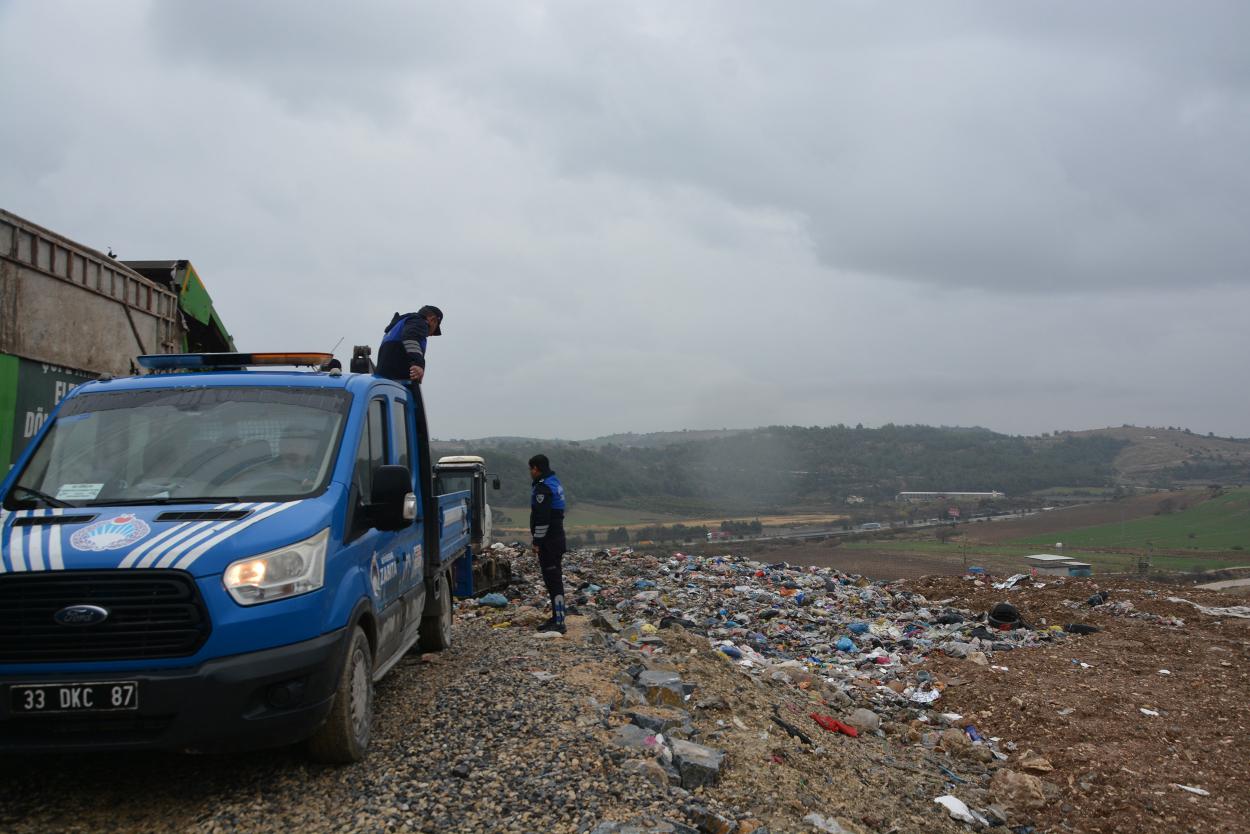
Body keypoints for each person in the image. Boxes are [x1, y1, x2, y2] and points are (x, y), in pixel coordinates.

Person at [529, 453, 568, 634]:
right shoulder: (554, 481)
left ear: (536, 468)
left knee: (553, 581)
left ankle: (559, 622)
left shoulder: (543, 488)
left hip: (549, 542)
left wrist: (537, 541)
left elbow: (543, 518)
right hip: (556, 538)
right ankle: (556, 617)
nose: (530, 472)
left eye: (531, 469)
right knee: (552, 580)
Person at [377, 306, 443, 383]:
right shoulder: (419, 321)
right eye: (435, 329)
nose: (431, 335)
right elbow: (410, 338)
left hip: (383, 380)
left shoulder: (396, 327)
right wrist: (418, 364)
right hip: (401, 381)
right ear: (433, 320)